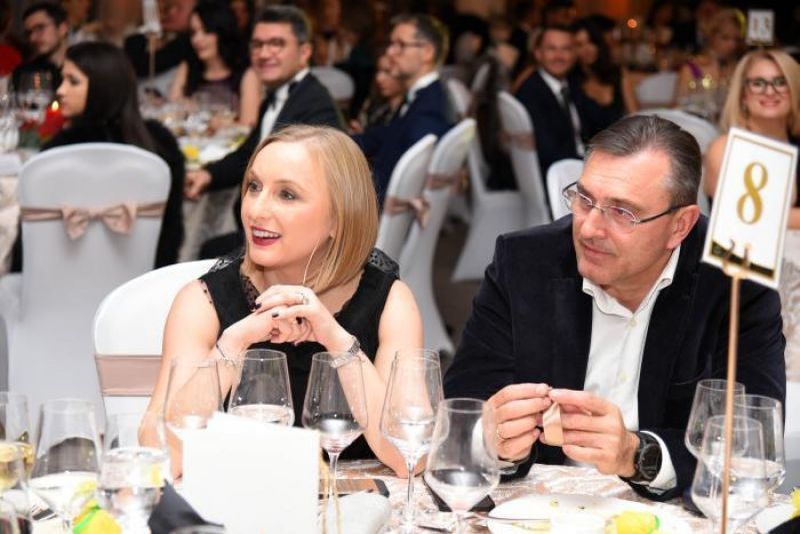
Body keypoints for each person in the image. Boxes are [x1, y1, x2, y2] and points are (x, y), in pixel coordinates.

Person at [443, 114, 785, 501]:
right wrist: (498, 442)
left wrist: (637, 455)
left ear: (680, 225)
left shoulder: (734, 284)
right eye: (584, 199)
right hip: (539, 510)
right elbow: (462, 415)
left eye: (623, 212)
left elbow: (751, 447)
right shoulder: (525, 262)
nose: (589, 229)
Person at [142, 124, 423, 477]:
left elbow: (410, 456)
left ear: (339, 218)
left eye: (287, 194)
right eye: (254, 187)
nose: (256, 210)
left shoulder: (390, 303)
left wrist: (337, 340)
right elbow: (159, 453)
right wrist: (233, 343)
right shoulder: (203, 302)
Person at [184, 5, 344, 258]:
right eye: (257, 45)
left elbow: (322, 192)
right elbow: (249, 154)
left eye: (276, 44)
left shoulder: (316, 107)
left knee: (206, 252)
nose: (264, 53)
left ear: (304, 52)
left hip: (290, 242)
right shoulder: (278, 97)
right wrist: (208, 175)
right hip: (266, 228)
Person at [39, 42, 184, 268]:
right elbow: (170, 236)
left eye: (73, 81)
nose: (60, 90)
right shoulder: (159, 146)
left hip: (62, 279)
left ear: (102, 87)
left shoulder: (57, 154)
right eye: (62, 79)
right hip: (144, 282)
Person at [352, 13, 456, 205]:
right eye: (391, 44)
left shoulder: (428, 112)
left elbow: (397, 179)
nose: (390, 52)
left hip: (376, 208)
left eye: (400, 45)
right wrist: (339, 143)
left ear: (427, 52)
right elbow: (387, 134)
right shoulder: (422, 98)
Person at [704, 49, 800, 228]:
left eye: (781, 82)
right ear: (743, 95)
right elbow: (748, 217)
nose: (770, 91)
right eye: (758, 83)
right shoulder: (724, 149)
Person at [514, 25, 590, 179]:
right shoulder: (530, 93)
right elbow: (548, 152)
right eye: (551, 49)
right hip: (557, 177)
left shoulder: (572, 84)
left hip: (577, 165)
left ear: (574, 54)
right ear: (538, 54)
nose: (559, 56)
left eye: (566, 49)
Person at [168, 0, 250, 121]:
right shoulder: (188, 67)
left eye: (206, 31)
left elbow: (248, 124)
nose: (197, 39)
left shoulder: (246, 73)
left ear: (222, 31)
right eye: (193, 33)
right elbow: (173, 107)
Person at [674, 8, 743, 115]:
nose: (732, 45)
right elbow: (677, 109)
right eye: (725, 38)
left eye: (736, 40)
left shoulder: (739, 69)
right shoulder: (691, 69)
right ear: (711, 36)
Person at [572, 17, 635, 133]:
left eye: (591, 42)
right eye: (579, 45)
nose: (587, 49)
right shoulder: (570, 82)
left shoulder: (618, 74)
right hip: (586, 144)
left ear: (598, 43)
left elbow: (635, 117)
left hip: (621, 141)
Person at [12, 3, 69, 91]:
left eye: (40, 28)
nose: (32, 38)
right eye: (29, 33)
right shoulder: (26, 73)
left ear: (62, 28)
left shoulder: (83, 68)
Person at [353, 54, 405, 131]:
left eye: (387, 72)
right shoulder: (373, 103)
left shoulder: (410, 109)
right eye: (378, 71)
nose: (379, 78)